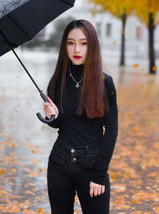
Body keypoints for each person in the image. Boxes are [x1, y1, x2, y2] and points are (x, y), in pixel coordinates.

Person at [42, 19, 118, 214]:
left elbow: (111, 129)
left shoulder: (104, 82)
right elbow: (61, 124)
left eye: (83, 43)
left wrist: (100, 175)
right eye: (70, 42)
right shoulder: (58, 79)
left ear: (91, 46)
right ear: (64, 46)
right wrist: (52, 116)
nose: (77, 48)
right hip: (59, 163)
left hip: (92, 165)